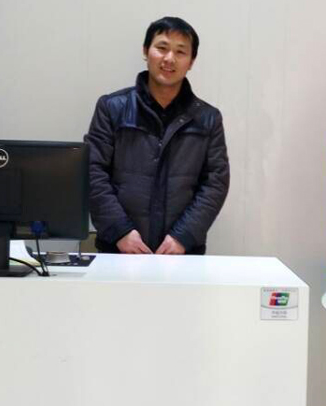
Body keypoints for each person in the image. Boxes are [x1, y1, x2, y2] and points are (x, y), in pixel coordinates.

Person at [85, 16, 229, 255]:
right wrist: (120, 231)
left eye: (180, 52)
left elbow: (215, 184)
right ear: (145, 51)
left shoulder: (208, 119)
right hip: (119, 250)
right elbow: (92, 172)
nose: (169, 58)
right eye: (162, 48)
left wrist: (183, 237)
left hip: (182, 253)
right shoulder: (112, 108)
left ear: (191, 62)